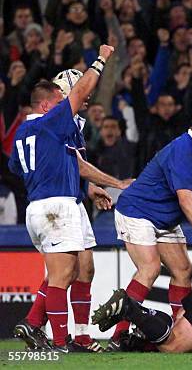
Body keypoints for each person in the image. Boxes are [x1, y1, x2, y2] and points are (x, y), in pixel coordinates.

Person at [9, 45, 115, 352]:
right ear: (47, 105)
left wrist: (86, 188)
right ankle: (63, 340)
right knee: (63, 273)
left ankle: (42, 326)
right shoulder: (52, 122)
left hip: (58, 201)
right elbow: (81, 92)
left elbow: (22, 166)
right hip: (57, 205)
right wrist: (101, 59)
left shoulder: (27, 131)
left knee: (81, 268)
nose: (75, 100)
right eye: (63, 98)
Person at [106, 105, 192, 350]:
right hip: (138, 211)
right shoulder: (183, 150)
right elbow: (186, 199)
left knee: (183, 270)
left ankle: (177, 335)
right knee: (150, 268)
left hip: (164, 218)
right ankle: (118, 335)